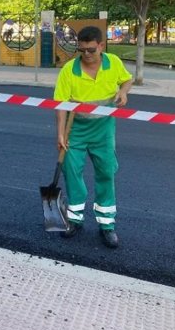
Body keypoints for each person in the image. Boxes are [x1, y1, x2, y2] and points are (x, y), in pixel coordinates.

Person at [53, 25, 132, 249]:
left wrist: (123, 91)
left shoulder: (113, 63)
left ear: (101, 46)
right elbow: (60, 105)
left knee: (106, 172)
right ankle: (75, 219)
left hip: (103, 129)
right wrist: (60, 134)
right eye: (82, 51)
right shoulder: (69, 70)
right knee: (71, 171)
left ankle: (107, 225)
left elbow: (127, 80)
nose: (86, 55)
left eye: (91, 50)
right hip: (75, 129)